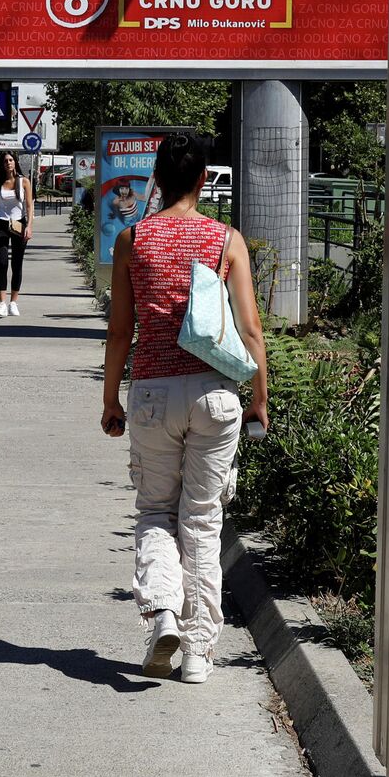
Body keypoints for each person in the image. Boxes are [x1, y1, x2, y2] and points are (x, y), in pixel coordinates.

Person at [101, 133, 269, 684]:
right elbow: (249, 328)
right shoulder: (226, 240)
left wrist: (110, 398)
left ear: (157, 178)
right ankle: (198, 653)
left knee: (155, 511)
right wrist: (259, 399)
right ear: (202, 180)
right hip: (215, 393)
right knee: (203, 519)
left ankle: (164, 614)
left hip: (151, 394)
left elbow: (121, 329)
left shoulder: (133, 238)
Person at [0, 151, 34, 318]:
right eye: (5, 160)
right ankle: (2, 303)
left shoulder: (24, 182)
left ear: (15, 162)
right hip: (1, 223)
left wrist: (29, 226)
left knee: (17, 263)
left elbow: (29, 206)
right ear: (2, 164)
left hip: (18, 223)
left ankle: (13, 302)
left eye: (11, 160)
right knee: (3, 262)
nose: (8, 163)